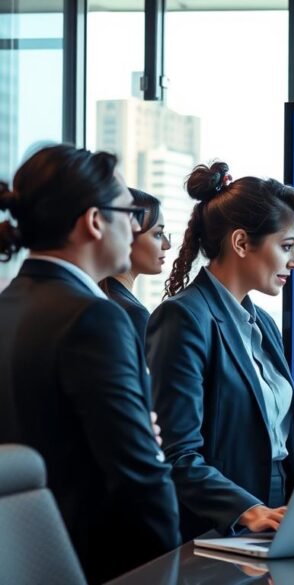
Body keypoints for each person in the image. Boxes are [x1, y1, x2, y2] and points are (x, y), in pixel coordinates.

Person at [0, 144, 179, 583]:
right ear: (94, 221)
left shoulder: (7, 306)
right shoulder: (95, 317)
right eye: (129, 212)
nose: (136, 225)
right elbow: (138, 476)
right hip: (96, 561)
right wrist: (171, 566)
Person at [148, 161, 294, 541]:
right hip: (223, 527)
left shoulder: (262, 324)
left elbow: (290, 439)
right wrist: (247, 510)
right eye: (287, 246)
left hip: (279, 514)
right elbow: (178, 455)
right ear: (241, 243)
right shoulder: (182, 318)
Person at [99, 187, 170, 340]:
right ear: (126, 234)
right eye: (158, 234)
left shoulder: (101, 296)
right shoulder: (132, 313)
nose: (167, 245)